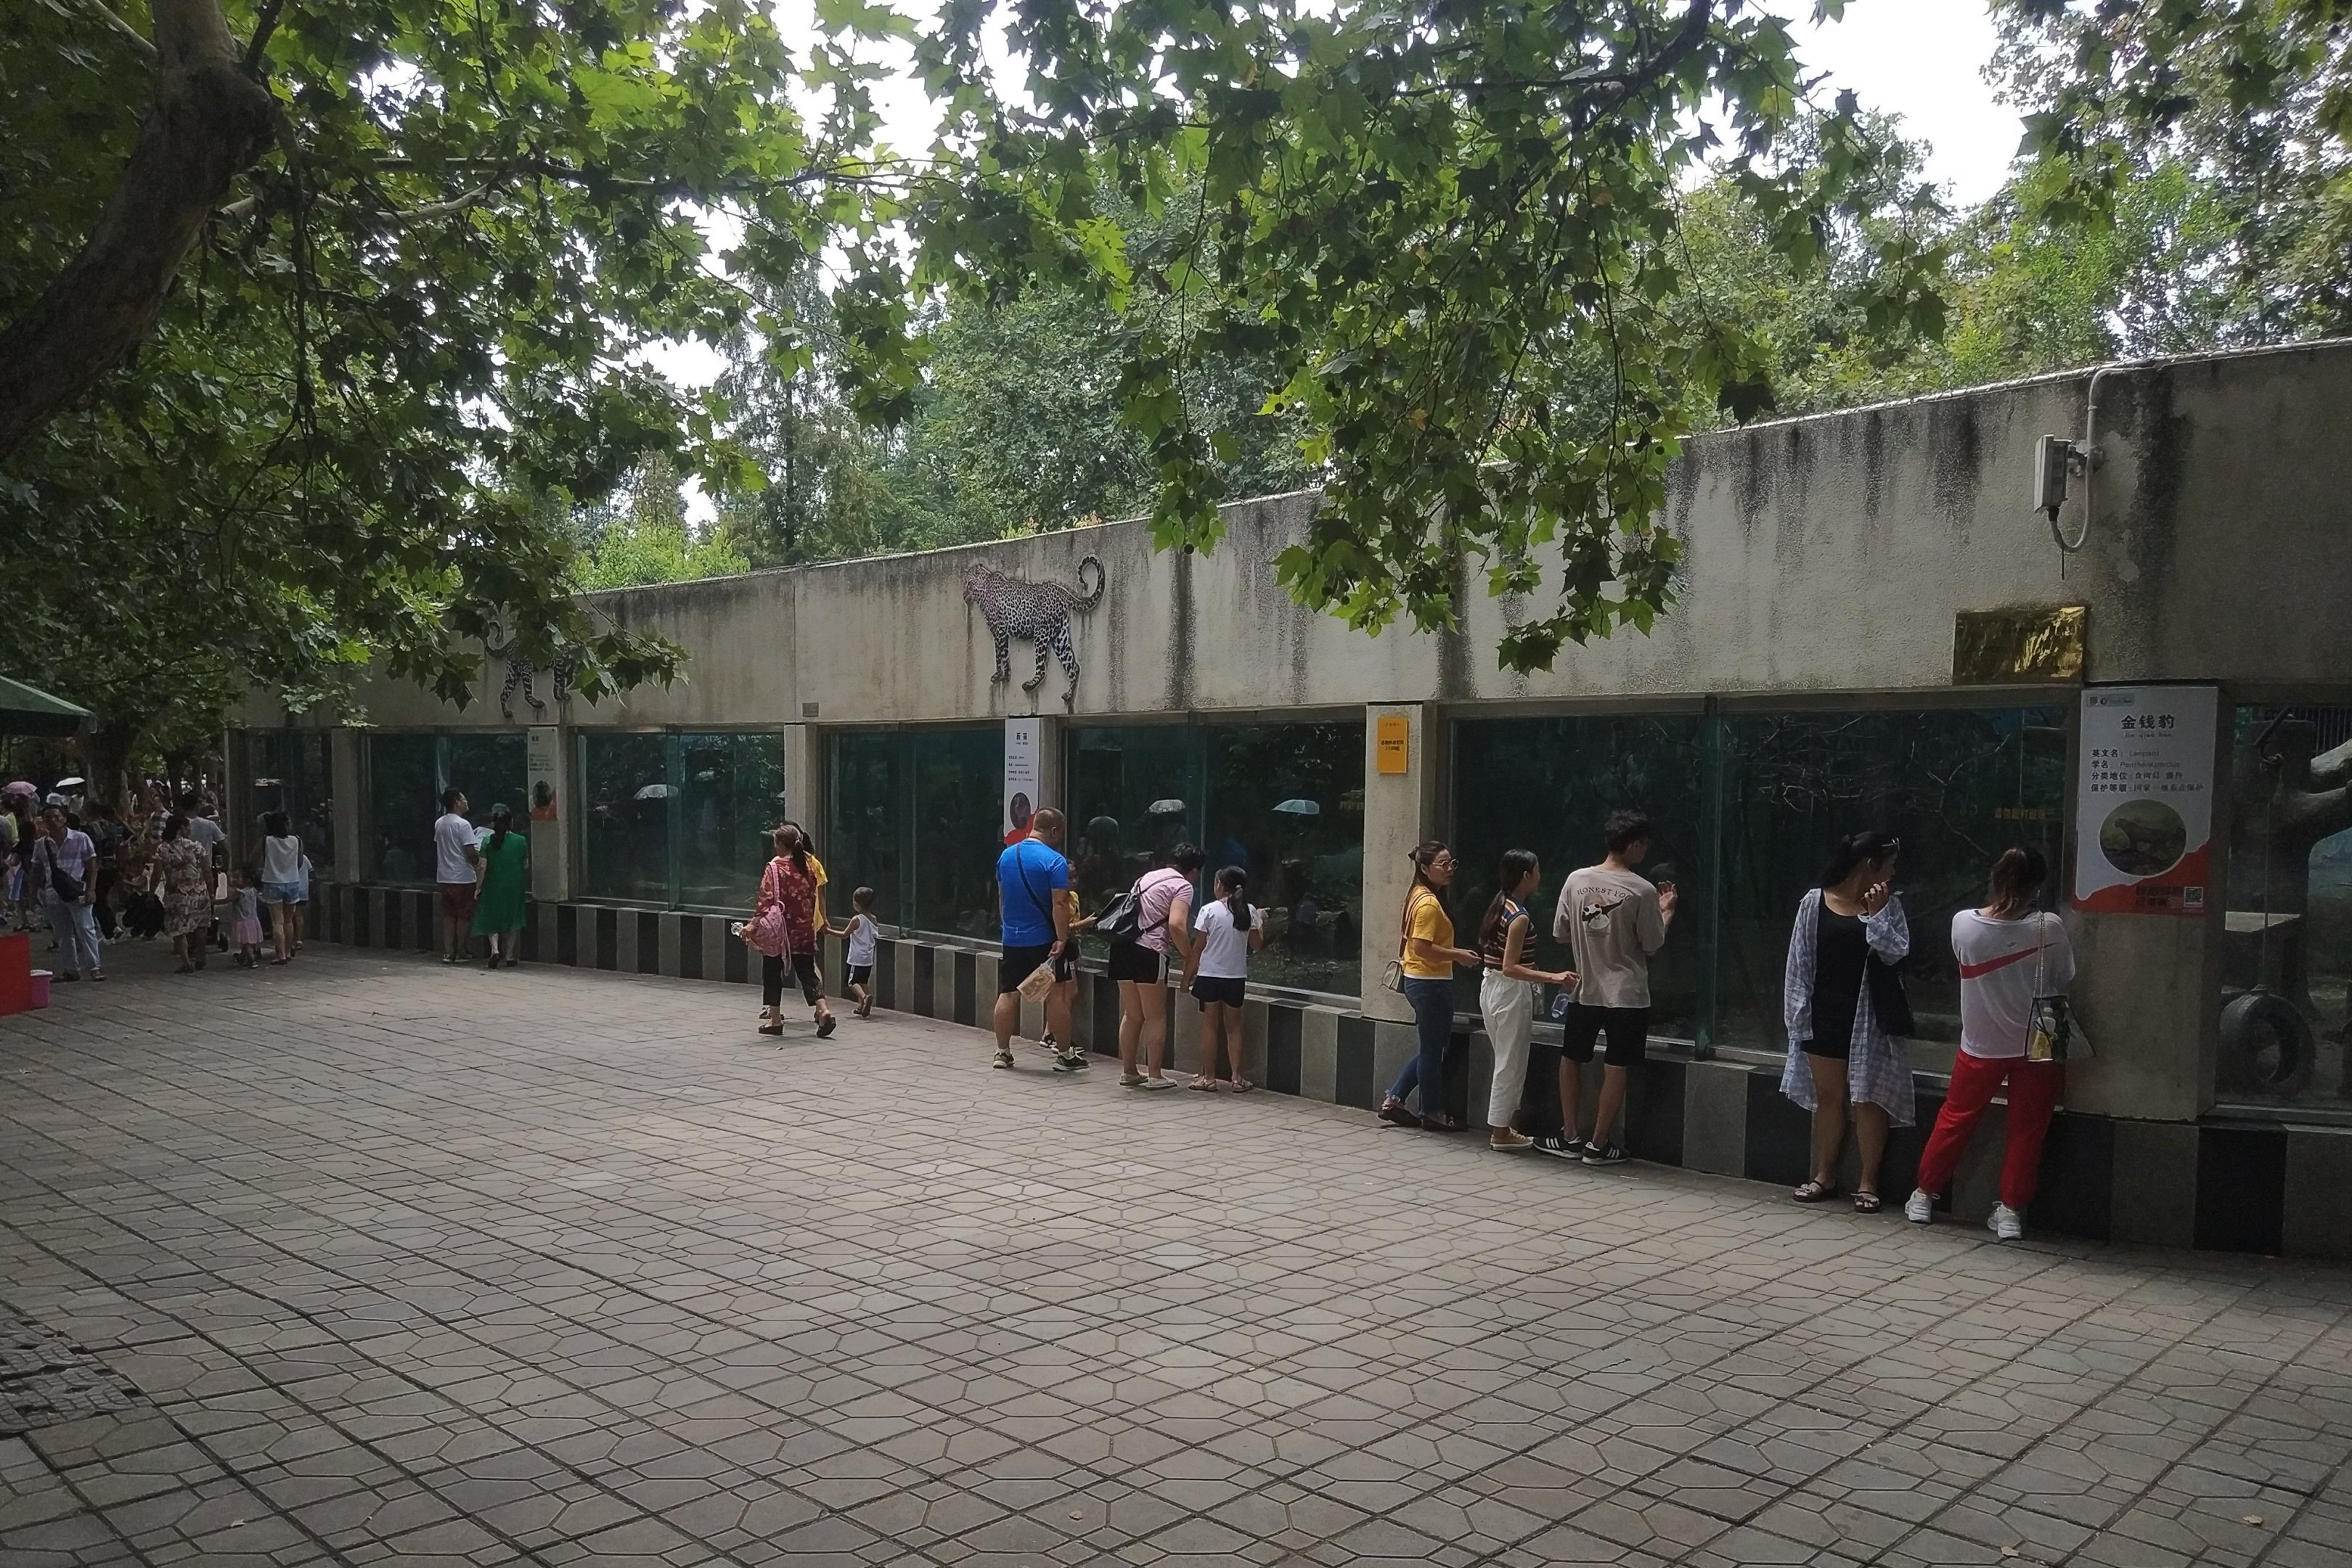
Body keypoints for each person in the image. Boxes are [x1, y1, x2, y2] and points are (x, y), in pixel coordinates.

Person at [1907, 848, 2075, 1242]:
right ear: (2037, 885)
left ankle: (1924, 1196)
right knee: (2026, 1132)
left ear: (1995, 878)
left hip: (1980, 1046)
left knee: (1955, 1119)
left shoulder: (1963, 924)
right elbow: (2064, 976)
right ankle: (2012, 1212)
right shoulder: (2049, 927)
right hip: (2037, 1048)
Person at [1783, 830, 1914, 1213]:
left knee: (1869, 1099)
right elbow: (1799, 961)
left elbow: (1897, 954)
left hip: (1869, 1018)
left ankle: (1868, 1181)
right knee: (1830, 1098)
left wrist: (1876, 917)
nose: (1892, 874)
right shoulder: (1815, 902)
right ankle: (1824, 1174)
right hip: (1822, 1014)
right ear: (1870, 866)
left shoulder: (1889, 906)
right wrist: (1796, 1015)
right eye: (1888, 866)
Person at [1542, 811, 1676, 1166]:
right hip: (1627, 995)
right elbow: (1652, 944)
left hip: (1585, 989)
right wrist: (1666, 912)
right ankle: (1599, 1144)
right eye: (1644, 845)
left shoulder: (1575, 880)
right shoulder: (1643, 889)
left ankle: (1569, 1136)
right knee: (1617, 1065)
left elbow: (1559, 933)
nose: (1645, 852)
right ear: (1634, 845)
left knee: (1572, 1058)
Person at [1479, 850, 1577, 1153]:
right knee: (1511, 1063)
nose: (1539, 876)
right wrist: (1553, 977)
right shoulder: (1519, 916)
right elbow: (1511, 966)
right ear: (1526, 875)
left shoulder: (1500, 904)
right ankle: (1500, 1130)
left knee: (1506, 1058)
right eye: (1537, 870)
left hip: (1490, 987)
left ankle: (1506, 1123)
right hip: (1509, 991)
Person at [1379, 842, 1481, 1131]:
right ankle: (1432, 1111)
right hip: (1430, 982)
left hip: (1422, 980)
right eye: (1443, 864)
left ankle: (1395, 1099)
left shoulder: (1420, 895)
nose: (1450, 870)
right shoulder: (1427, 903)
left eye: (1452, 863)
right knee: (1433, 1050)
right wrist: (1458, 955)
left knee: (1431, 1046)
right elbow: (1422, 947)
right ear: (1425, 869)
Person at [995, 807, 1083, 1072]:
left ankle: (1002, 1052)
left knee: (1008, 993)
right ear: (1054, 831)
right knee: (1056, 995)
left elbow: (1002, 896)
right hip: (1044, 941)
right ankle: (1066, 1055)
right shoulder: (1054, 861)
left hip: (1012, 938)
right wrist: (1061, 938)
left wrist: (1008, 925)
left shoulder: (1006, 855)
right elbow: (1060, 903)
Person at [1112, 844, 1202, 1089]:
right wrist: (1188, 955)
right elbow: (1176, 925)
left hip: (1122, 948)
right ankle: (1155, 1074)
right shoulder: (1182, 886)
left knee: (1132, 1014)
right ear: (1193, 871)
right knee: (1155, 1016)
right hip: (1148, 952)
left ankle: (1129, 1071)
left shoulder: (1147, 877)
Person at [745, 823, 835, 1038]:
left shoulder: (775, 868)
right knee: (807, 972)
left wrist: (752, 924)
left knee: (772, 970)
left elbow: (765, 901)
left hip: (781, 931)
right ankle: (823, 1010)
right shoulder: (809, 866)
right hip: (804, 928)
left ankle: (775, 1019)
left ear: (780, 845)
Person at [1186, 866, 1264, 1092]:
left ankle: (1208, 1078)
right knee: (1234, 1028)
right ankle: (1238, 1079)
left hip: (1209, 976)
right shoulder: (1248, 911)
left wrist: (1187, 976)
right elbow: (1258, 945)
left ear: (1219, 885)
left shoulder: (1208, 910)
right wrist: (1260, 920)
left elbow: (1198, 948)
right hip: (1235, 977)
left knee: (1209, 1027)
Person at [30, 803, 104, 982]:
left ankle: (94, 967)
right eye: (48, 818)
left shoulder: (80, 838)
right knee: (63, 934)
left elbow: (92, 864)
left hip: (77, 891)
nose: (53, 821)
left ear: (64, 818)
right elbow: (37, 870)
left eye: (57, 817)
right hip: (53, 893)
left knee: (86, 929)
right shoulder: (41, 844)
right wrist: (32, 894)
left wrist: (91, 889)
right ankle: (71, 969)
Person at [470, 804, 530, 969]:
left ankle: (495, 950)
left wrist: (479, 887)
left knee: (492, 917)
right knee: (513, 919)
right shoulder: (521, 841)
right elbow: (525, 864)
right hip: (514, 885)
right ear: (511, 822)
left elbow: (482, 866)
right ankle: (510, 956)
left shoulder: (488, 841)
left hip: (493, 884)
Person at [433, 788, 481, 964]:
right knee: (464, 915)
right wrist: (478, 860)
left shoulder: (440, 823)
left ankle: (448, 952)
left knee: (448, 915)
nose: (467, 802)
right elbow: (469, 851)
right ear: (457, 802)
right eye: (464, 799)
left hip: (444, 876)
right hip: (463, 877)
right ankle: (461, 950)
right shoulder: (463, 825)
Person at [179, 791, 227, 952]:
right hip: (206, 870)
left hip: (182, 872)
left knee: (185, 909)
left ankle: (187, 943)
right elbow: (223, 846)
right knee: (206, 908)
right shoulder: (209, 825)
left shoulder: (177, 825)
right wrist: (225, 865)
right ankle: (203, 943)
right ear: (196, 806)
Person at [255, 809, 306, 965]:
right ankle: (289, 950)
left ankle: (281, 954)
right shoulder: (296, 840)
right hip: (293, 881)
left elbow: (253, 857)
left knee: (277, 921)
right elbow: (299, 862)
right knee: (289, 920)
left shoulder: (267, 841)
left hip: (272, 881)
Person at [87, 804, 126, 941]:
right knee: (105, 897)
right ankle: (112, 926)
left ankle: (110, 930)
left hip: (99, 865)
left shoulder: (90, 829)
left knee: (97, 899)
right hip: (113, 864)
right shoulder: (114, 828)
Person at [840, 886, 880, 1018]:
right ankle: (861, 1006)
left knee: (851, 982)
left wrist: (828, 931)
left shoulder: (857, 919)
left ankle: (864, 997)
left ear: (856, 904)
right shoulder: (873, 919)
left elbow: (845, 934)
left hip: (855, 958)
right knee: (863, 982)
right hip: (868, 958)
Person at [229, 868, 266, 968]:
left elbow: (227, 900)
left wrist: (213, 902)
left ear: (246, 880)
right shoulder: (253, 891)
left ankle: (251, 959)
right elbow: (261, 900)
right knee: (248, 941)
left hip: (242, 921)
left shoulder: (239, 893)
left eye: (237, 878)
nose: (234, 880)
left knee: (246, 942)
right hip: (253, 920)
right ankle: (242, 957)